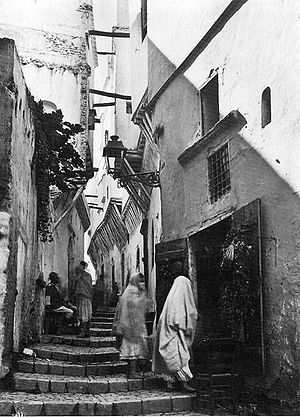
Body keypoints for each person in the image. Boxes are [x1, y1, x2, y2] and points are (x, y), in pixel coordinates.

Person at [152, 267, 198, 392]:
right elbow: (179, 319)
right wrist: (188, 328)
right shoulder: (179, 299)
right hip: (175, 334)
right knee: (180, 358)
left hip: (167, 333)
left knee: (171, 357)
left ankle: (170, 383)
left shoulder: (172, 298)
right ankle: (184, 383)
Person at [112, 272, 150, 378]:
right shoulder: (134, 291)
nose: (142, 283)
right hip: (133, 326)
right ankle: (133, 373)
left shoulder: (128, 290)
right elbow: (136, 307)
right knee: (134, 350)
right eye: (140, 281)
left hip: (128, 326)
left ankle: (130, 372)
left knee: (130, 350)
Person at [73, 261, 93, 338]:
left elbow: (86, 285)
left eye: (80, 266)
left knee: (84, 314)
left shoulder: (84, 275)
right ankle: (86, 331)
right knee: (84, 313)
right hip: (82, 296)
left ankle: (84, 332)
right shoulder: (84, 275)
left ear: (83, 267)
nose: (79, 268)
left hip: (84, 296)